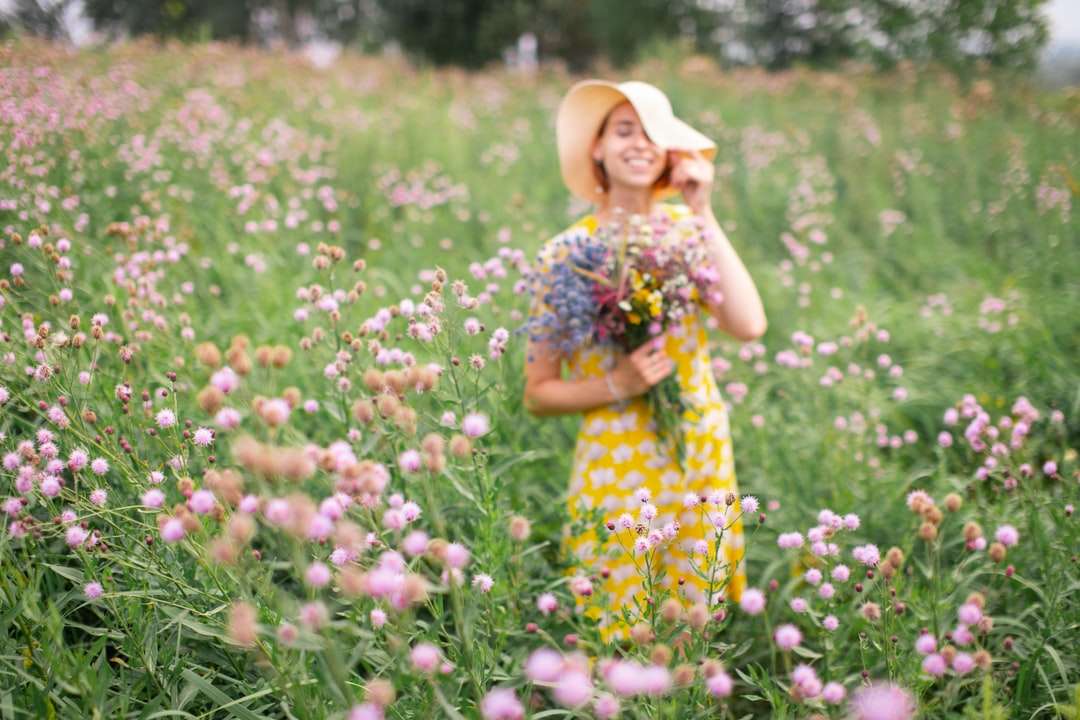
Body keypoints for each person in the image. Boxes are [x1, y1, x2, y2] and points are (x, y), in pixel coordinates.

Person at [522, 80, 767, 643]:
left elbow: (749, 325)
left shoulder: (688, 230)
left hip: (697, 446)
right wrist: (620, 382)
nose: (639, 143)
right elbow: (539, 393)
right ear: (598, 148)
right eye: (624, 130)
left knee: (693, 626)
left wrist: (702, 209)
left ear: (670, 152)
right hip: (618, 459)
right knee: (618, 621)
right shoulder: (566, 254)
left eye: (653, 133)